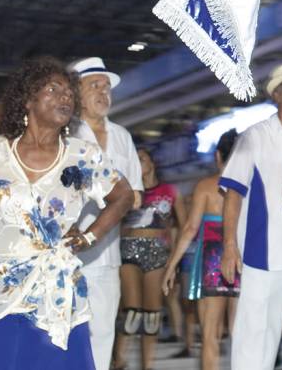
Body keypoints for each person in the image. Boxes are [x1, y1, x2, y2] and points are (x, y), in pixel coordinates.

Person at [0, 56, 134, 368]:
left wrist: (89, 237)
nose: (65, 97)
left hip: (53, 290)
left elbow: (124, 196)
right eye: (53, 90)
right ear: (28, 100)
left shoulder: (83, 156)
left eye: (69, 93)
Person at [219, 60, 282, 369]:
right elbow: (233, 193)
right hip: (264, 258)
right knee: (255, 343)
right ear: (276, 94)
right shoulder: (254, 137)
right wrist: (229, 247)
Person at [68, 57, 145, 370]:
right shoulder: (66, 133)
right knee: (67, 329)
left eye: (107, 87)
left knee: (102, 331)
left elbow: (136, 196)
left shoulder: (123, 136)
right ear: (76, 92)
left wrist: (120, 199)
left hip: (107, 253)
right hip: (68, 253)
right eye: (94, 86)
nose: (104, 93)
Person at [161, 130, 241, 370]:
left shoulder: (206, 187)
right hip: (241, 256)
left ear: (218, 156)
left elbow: (190, 228)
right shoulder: (250, 188)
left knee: (209, 336)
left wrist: (171, 265)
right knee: (242, 334)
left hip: (212, 260)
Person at [112, 148, 185, 370]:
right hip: (128, 249)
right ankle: (119, 361)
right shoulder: (126, 191)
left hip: (157, 252)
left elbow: (183, 226)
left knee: (152, 316)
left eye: (142, 158)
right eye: (134, 159)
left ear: (152, 162)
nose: (138, 162)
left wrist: (174, 260)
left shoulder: (169, 191)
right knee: (132, 314)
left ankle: (147, 365)